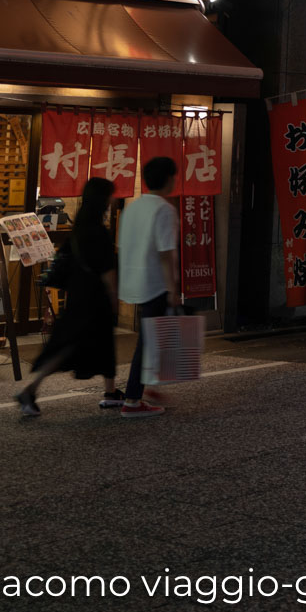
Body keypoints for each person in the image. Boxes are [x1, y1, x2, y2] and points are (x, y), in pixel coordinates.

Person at [15, 178, 120, 417]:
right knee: (79, 346)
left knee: (81, 344)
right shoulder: (99, 232)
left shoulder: (79, 230)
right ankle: (30, 389)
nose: (113, 200)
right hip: (95, 298)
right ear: (102, 200)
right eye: (110, 196)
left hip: (78, 296)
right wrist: (114, 297)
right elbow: (107, 270)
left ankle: (111, 392)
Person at [116, 155, 182, 418]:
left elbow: (123, 245)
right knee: (147, 341)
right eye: (174, 176)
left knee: (152, 338)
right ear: (168, 179)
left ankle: (150, 387)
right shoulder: (164, 210)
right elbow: (166, 253)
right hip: (154, 283)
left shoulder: (134, 206)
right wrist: (173, 288)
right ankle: (132, 400)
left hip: (134, 280)